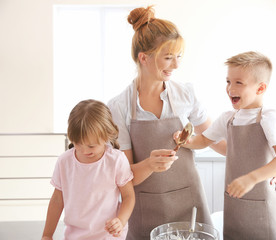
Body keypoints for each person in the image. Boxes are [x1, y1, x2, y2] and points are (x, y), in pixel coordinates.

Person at [107, 6, 227, 240]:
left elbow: (217, 140)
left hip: (188, 205)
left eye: (179, 56)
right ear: (144, 58)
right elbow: (124, 176)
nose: (176, 65)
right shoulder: (118, 106)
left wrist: (263, 163)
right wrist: (150, 165)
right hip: (143, 208)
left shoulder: (185, 94)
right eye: (169, 57)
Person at [173, 51, 276, 240]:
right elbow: (203, 140)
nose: (230, 88)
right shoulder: (228, 118)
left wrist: (251, 178)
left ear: (260, 89)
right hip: (235, 208)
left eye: (239, 82)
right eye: (228, 81)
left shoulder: (269, 117)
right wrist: (184, 140)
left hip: (262, 209)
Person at [41, 99, 135, 240]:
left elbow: (128, 196)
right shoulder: (64, 162)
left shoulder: (116, 160)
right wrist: (47, 235)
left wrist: (121, 221)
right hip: (75, 236)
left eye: (91, 146)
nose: (84, 151)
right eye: (78, 144)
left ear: (107, 135)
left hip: (109, 236)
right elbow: (57, 201)